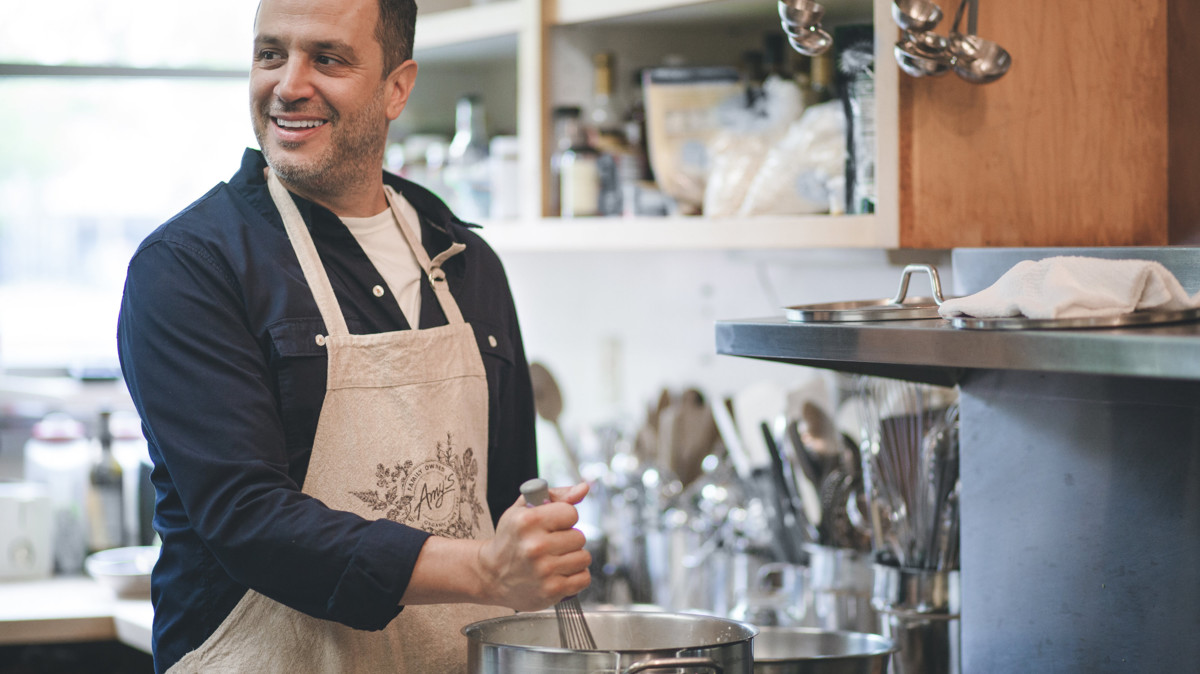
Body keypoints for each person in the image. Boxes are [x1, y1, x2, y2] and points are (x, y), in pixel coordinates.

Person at [116, 0, 591, 671]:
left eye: (327, 58)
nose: (288, 84)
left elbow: (505, 498)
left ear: (398, 86)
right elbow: (248, 519)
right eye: (270, 53)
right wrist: (486, 569)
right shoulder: (192, 268)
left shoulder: (466, 263)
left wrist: (533, 548)